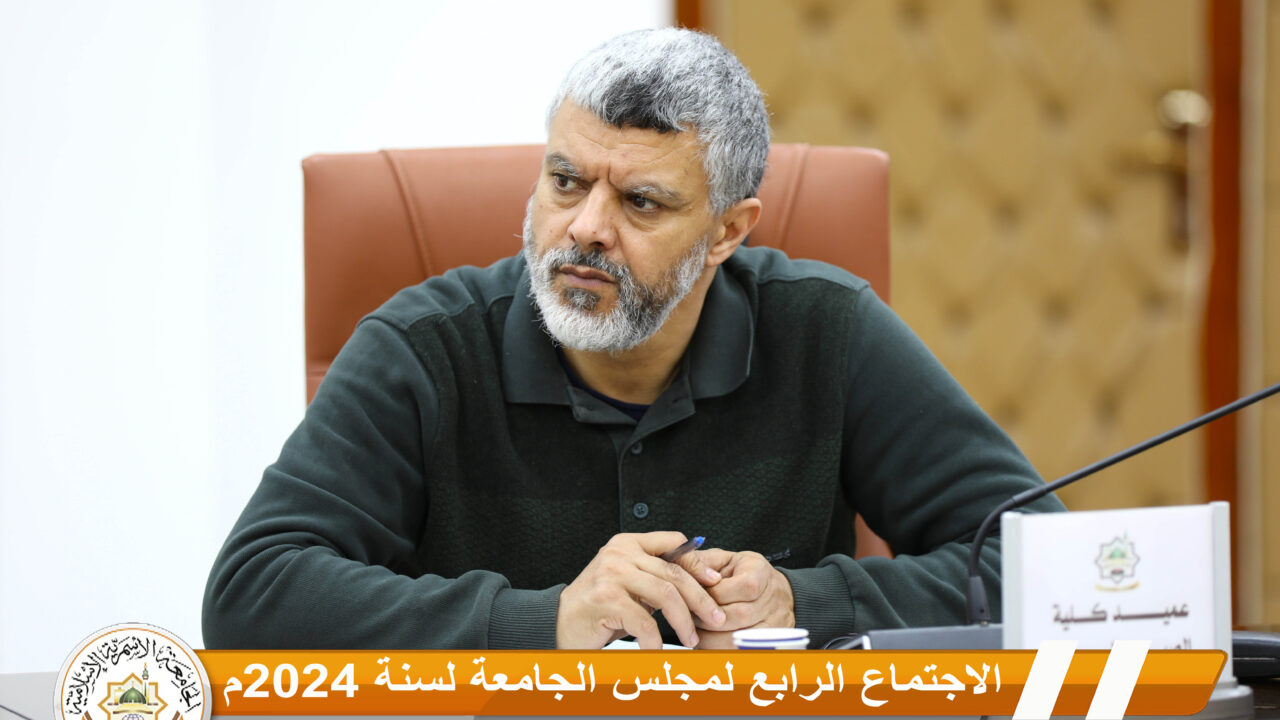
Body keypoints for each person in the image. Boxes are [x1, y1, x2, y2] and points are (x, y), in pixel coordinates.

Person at [203, 27, 1063, 651]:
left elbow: (1046, 568)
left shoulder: (825, 330)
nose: (584, 228)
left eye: (640, 202)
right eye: (564, 181)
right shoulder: (423, 348)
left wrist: (802, 603)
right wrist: (544, 621)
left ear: (728, 231)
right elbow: (252, 592)